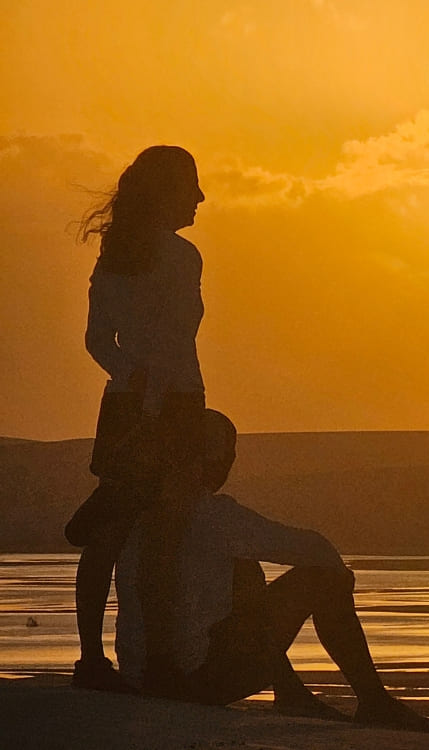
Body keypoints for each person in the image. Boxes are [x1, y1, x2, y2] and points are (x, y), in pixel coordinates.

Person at [114, 410, 429, 733]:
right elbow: (314, 549)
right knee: (324, 578)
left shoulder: (141, 513)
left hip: (139, 674)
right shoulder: (213, 515)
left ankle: (292, 692)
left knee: (245, 568)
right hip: (195, 681)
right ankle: (373, 700)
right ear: (212, 461)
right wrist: (339, 575)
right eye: (227, 454)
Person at [68, 145, 207, 691]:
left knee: (157, 532)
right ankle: (101, 660)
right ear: (164, 192)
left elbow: (103, 341)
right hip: (148, 405)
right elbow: (99, 339)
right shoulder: (129, 257)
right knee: (123, 533)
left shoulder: (179, 255)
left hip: (168, 401)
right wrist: (138, 376)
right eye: (190, 185)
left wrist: (135, 376)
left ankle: (150, 657)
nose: (199, 197)